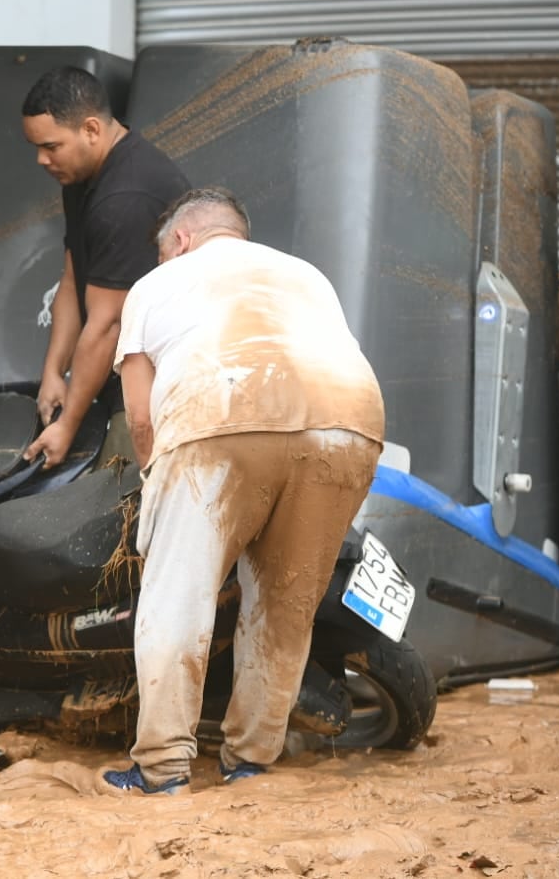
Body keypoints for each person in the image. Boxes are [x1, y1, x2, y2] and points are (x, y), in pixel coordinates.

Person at [103, 187, 385, 795]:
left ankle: (161, 768)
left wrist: (157, 484)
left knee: (177, 597)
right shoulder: (306, 275)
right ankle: (251, 761)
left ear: (180, 240)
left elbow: (142, 419)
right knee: (285, 604)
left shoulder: (156, 285)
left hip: (222, 412)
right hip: (350, 427)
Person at [20, 66, 188, 470]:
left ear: (91, 129)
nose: (41, 159)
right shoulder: (80, 178)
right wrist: (53, 373)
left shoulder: (125, 198)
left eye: (51, 146)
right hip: (124, 373)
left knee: (116, 501)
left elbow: (108, 324)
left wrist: (68, 424)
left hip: (163, 386)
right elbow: (73, 278)